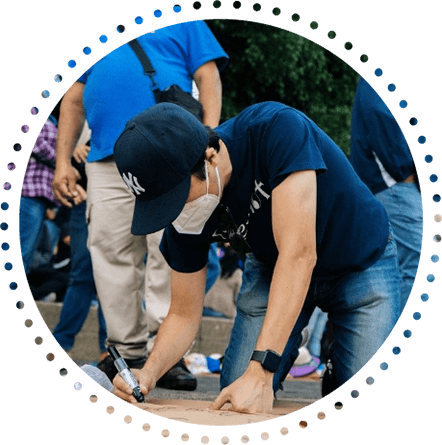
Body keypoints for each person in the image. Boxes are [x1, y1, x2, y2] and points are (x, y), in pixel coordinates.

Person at [111, 101, 402, 414]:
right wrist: (149, 372)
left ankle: (327, 360)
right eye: (164, 204)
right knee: (237, 397)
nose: (175, 211)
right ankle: (288, 330)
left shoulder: (277, 129)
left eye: (177, 196)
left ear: (210, 157)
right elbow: (183, 313)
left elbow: (299, 255)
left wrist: (262, 370)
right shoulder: (185, 216)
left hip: (359, 260)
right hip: (274, 266)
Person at [52, 21, 228, 389]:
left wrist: (206, 135)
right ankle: (126, 352)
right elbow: (72, 97)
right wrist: (63, 161)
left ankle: (165, 351)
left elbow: (208, 75)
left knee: (168, 249)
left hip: (167, 156)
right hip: (104, 157)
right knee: (109, 250)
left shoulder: (184, 19)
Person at [350, 77, 423, 314]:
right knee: (414, 266)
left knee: (390, 270)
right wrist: (404, 172)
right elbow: (380, 114)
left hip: (394, 185)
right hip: (394, 184)